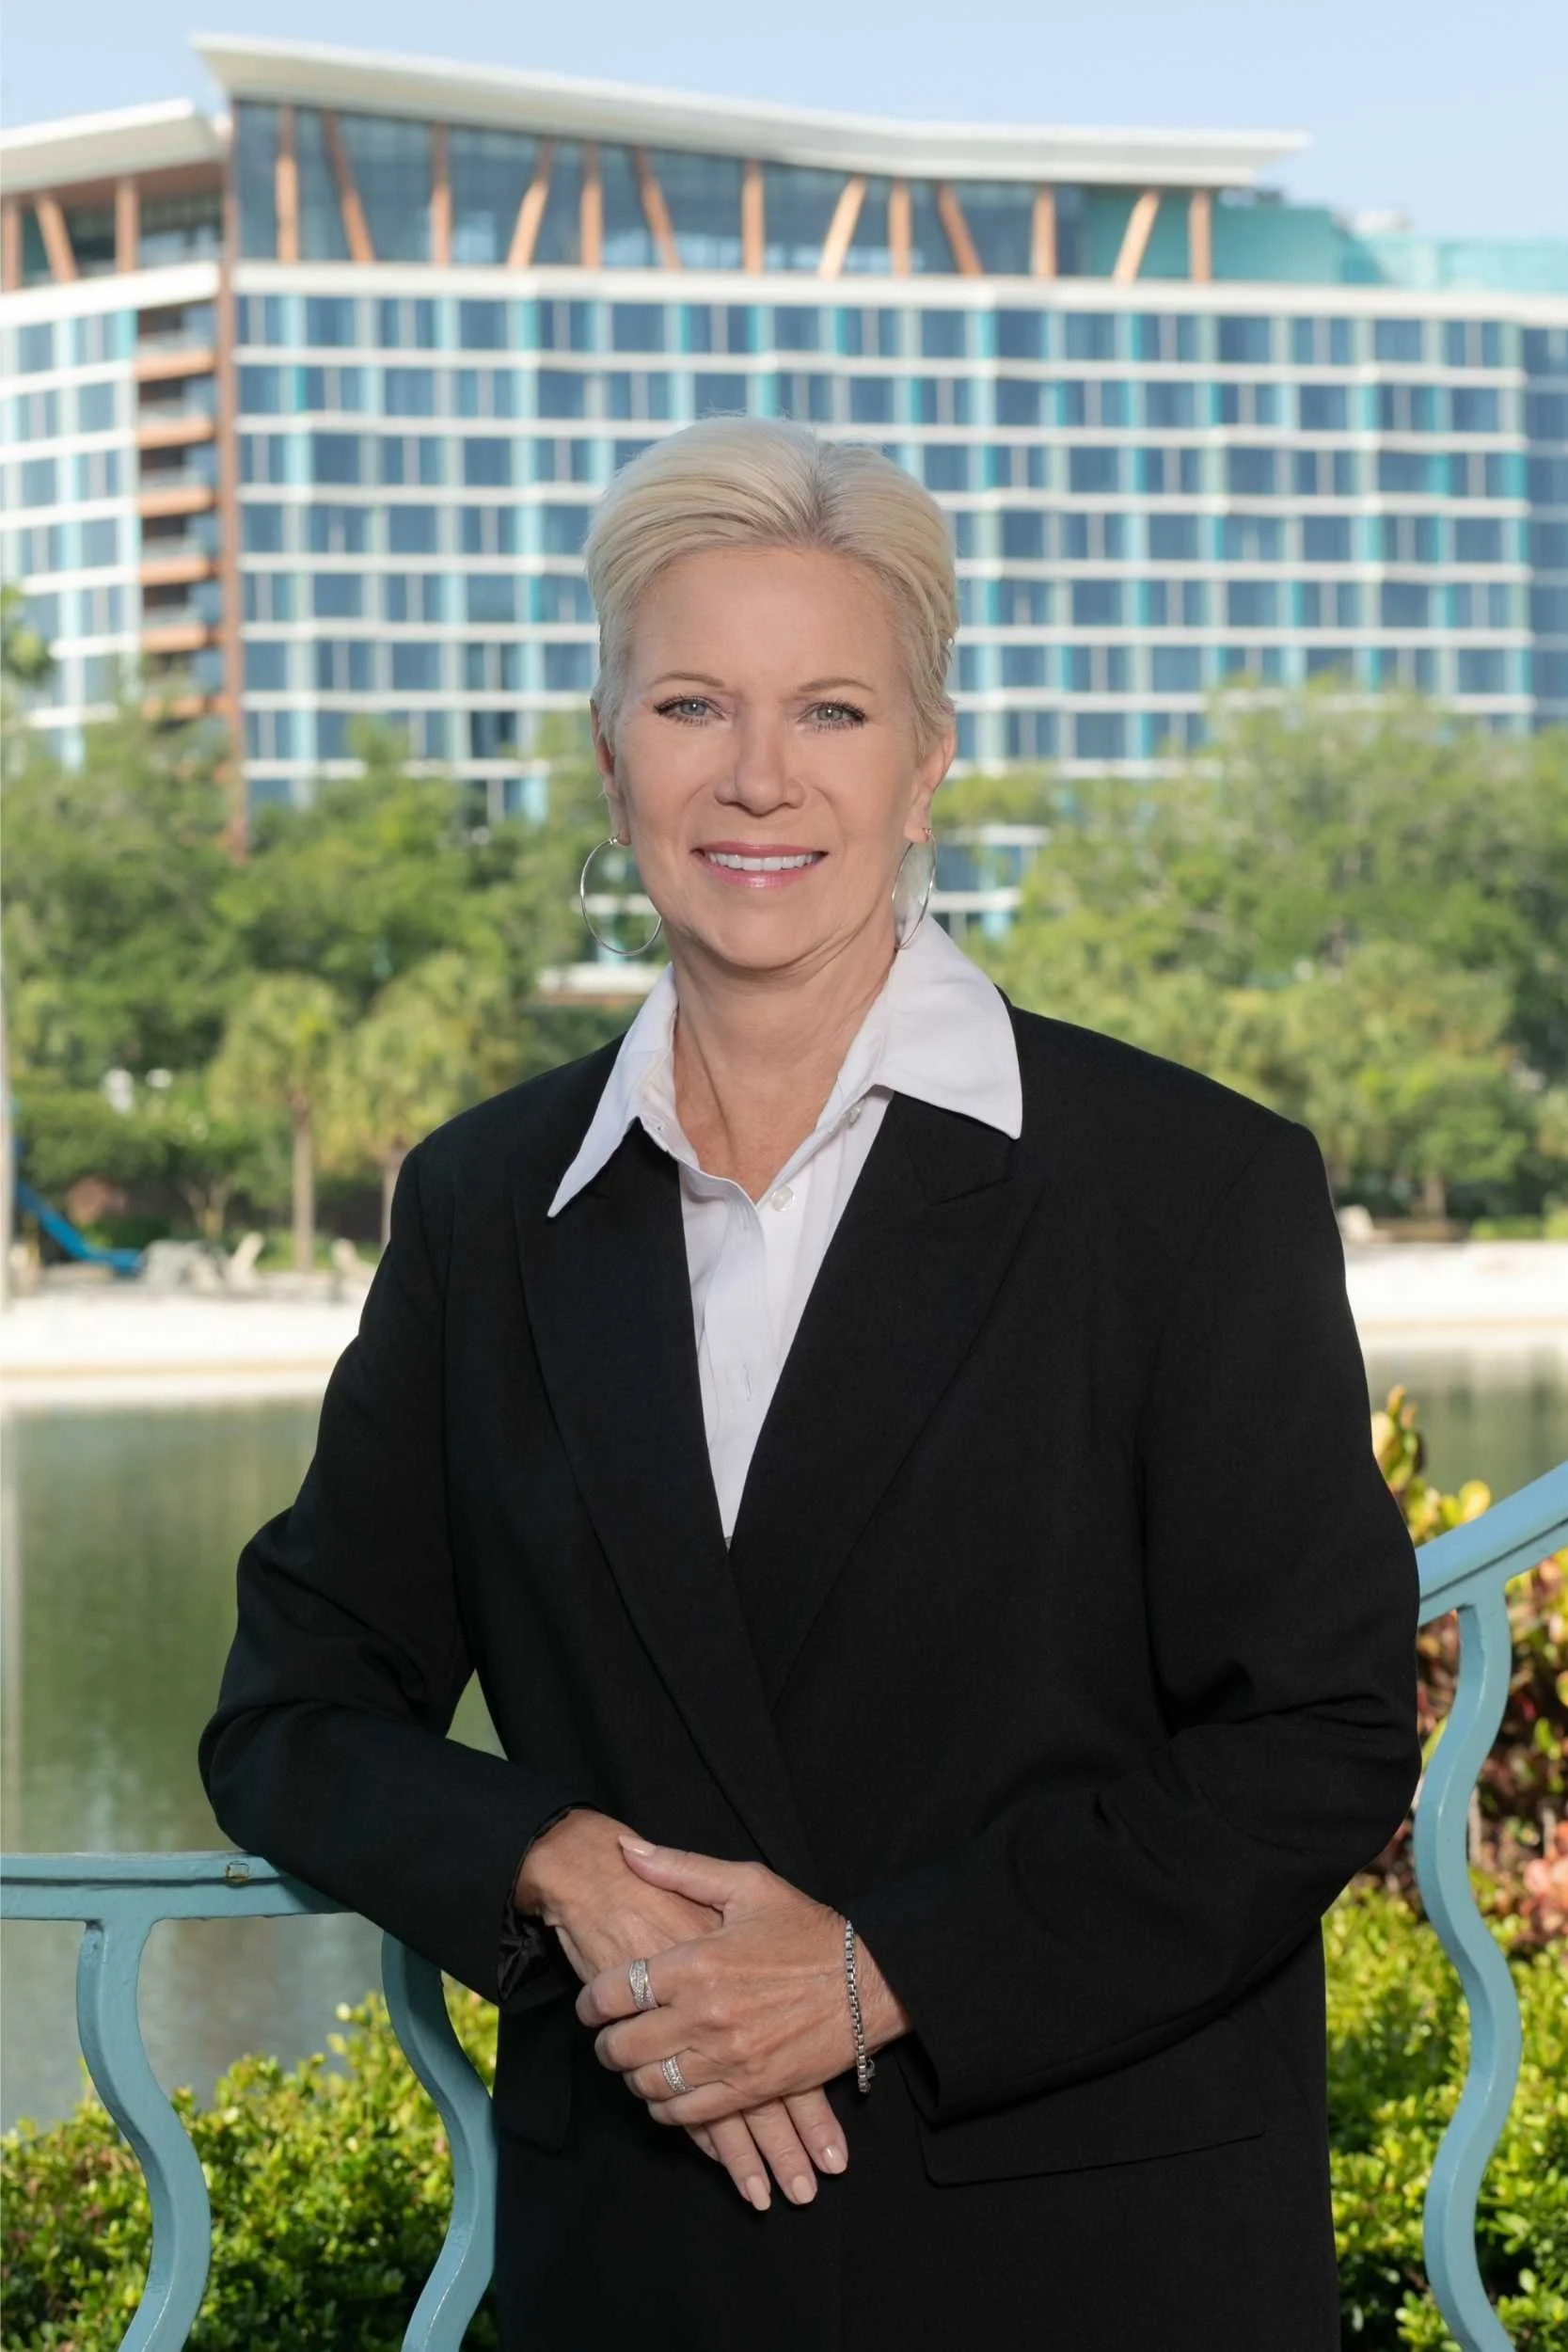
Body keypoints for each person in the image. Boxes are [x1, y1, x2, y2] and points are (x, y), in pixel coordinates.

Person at [198, 417, 1421, 2351]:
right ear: (609, 753)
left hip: (1096, 2259)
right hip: (651, 2267)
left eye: (831, 710)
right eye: (691, 702)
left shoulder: (1185, 1185)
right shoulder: (488, 1204)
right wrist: (543, 1857)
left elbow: (1318, 1733)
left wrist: (878, 1967)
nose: (756, 775)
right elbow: (294, 1707)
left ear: (927, 757)